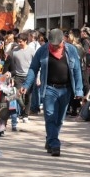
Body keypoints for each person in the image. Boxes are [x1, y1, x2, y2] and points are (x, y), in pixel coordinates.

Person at [20, 28, 84, 156]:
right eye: (52, 44)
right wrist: (26, 84)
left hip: (66, 90)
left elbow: (77, 70)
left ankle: (50, 139)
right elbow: (33, 68)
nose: (54, 46)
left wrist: (79, 90)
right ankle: (55, 144)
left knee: (59, 120)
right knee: (50, 116)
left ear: (62, 41)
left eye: (57, 44)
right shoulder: (42, 51)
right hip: (49, 88)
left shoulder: (71, 50)